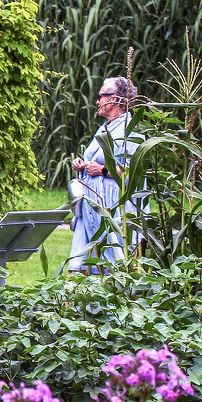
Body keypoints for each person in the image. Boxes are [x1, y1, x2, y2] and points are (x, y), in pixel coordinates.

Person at [68, 76, 143, 273]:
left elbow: (131, 173)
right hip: (91, 207)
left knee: (114, 264)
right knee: (79, 267)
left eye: (102, 96)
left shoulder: (130, 131)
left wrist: (101, 170)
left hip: (114, 210)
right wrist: (82, 165)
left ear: (116, 99)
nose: (98, 101)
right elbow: (94, 158)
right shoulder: (105, 128)